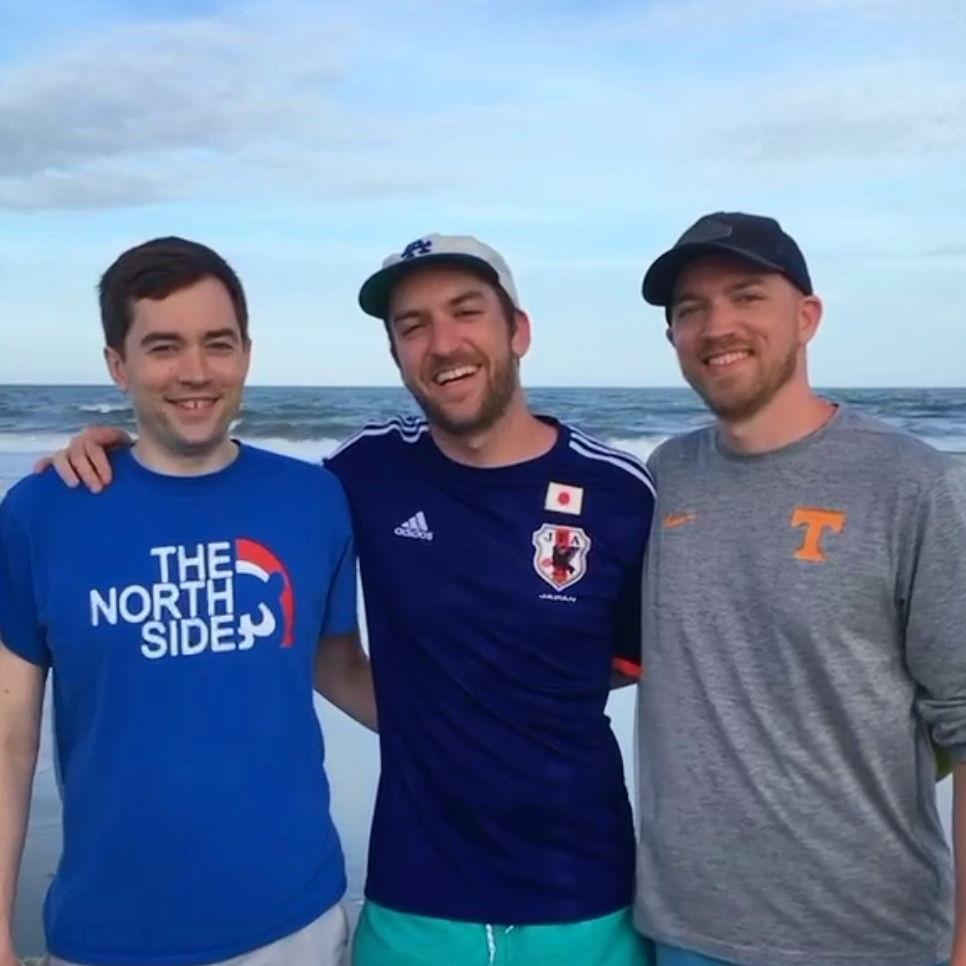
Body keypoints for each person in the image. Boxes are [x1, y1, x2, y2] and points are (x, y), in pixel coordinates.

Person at [42, 233, 656, 966]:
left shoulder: (620, 491)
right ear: (395, 353)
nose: (443, 343)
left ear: (517, 330)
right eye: (412, 325)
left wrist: (508, 712)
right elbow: (234, 498)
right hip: (415, 897)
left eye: (466, 311)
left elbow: (630, 663)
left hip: (586, 891)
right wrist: (115, 457)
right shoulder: (363, 473)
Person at [0, 237, 376, 966]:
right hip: (108, 930)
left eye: (218, 343)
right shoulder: (42, 513)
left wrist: (502, 727)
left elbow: (337, 668)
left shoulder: (312, 500)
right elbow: (10, 743)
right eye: (164, 347)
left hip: (292, 922)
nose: (196, 372)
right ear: (118, 364)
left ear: (247, 354)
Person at [634, 211, 966, 966]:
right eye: (691, 309)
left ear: (807, 317)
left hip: (865, 939)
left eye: (747, 296)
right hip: (684, 930)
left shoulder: (911, 484)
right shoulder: (665, 475)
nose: (717, 326)